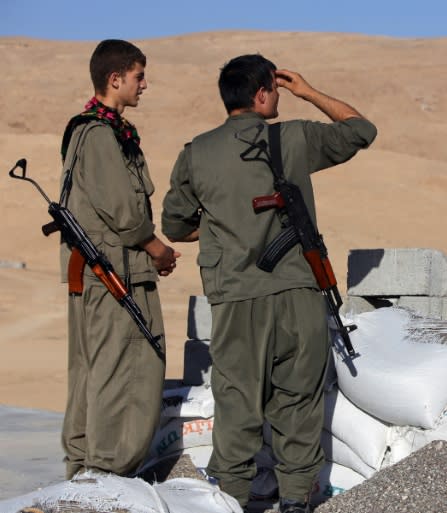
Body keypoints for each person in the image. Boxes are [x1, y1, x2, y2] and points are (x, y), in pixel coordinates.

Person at [161, 54, 377, 512]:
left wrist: (223, 222)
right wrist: (309, 91)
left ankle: (231, 500)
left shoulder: (196, 152)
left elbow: (176, 226)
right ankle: (296, 499)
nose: (280, 95)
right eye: (276, 89)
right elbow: (361, 130)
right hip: (298, 294)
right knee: (298, 400)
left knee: (238, 402)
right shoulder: (293, 137)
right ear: (263, 93)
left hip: (237, 298)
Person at [59, 39, 179, 479]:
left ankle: (89, 471)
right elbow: (124, 211)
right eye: (138, 76)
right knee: (126, 367)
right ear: (116, 79)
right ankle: (104, 470)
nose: (144, 85)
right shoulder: (99, 134)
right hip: (114, 274)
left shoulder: (102, 131)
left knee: (98, 368)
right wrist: (158, 250)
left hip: (109, 271)